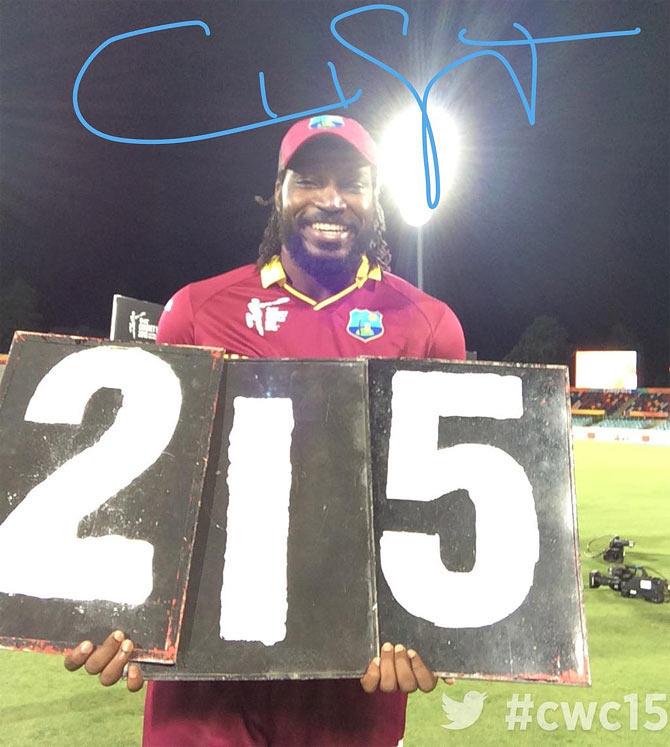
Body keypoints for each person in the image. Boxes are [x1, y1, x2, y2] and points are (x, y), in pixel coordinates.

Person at [64, 115, 465, 746]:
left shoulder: (430, 325)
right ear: (276, 194)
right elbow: (156, 490)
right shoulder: (197, 310)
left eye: (352, 183)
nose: (330, 199)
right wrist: (115, 611)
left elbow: (443, 510)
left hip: (351, 680)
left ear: (376, 201)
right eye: (309, 179)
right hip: (206, 675)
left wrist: (426, 629)